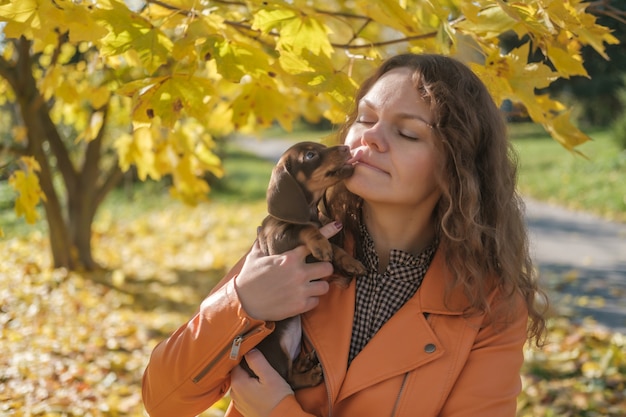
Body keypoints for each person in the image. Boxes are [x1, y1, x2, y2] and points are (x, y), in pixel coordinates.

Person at [141, 53, 548, 417]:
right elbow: (164, 402)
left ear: (457, 168)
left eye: (407, 133)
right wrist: (242, 303)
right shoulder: (297, 248)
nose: (369, 137)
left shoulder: (490, 305)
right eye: (366, 119)